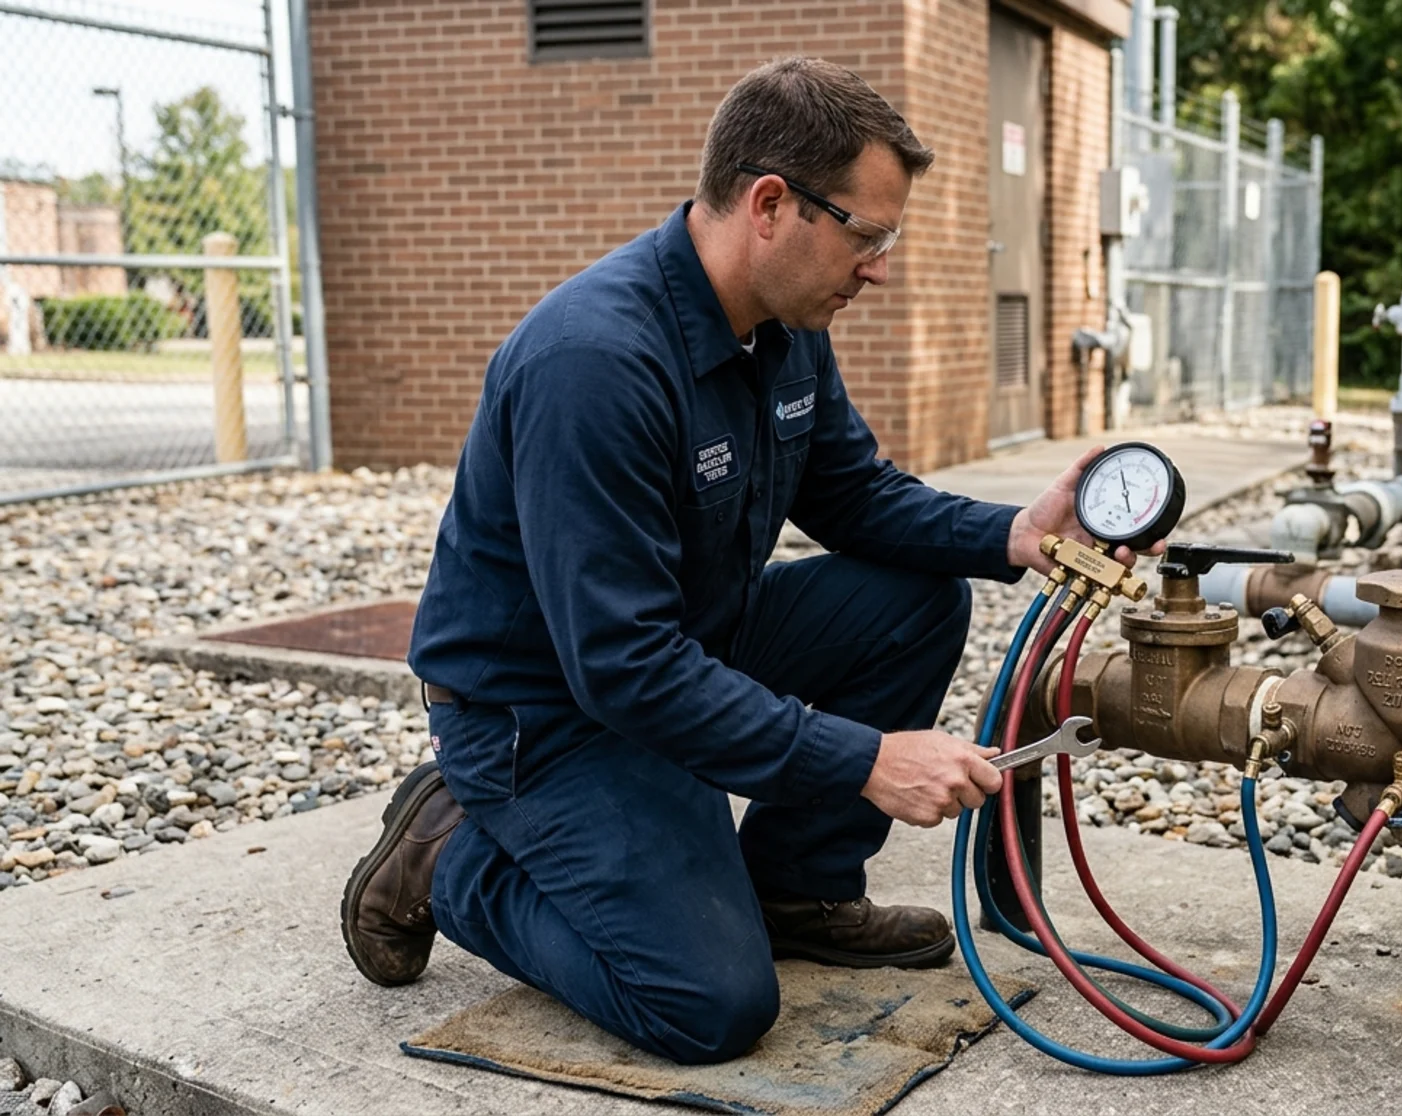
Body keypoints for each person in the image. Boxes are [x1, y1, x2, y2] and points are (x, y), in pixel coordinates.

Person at [338, 56, 1151, 1065]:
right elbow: (621, 668)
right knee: (706, 1004)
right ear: (771, 203)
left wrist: (1012, 535)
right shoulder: (594, 364)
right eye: (869, 234)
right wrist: (865, 761)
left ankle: (793, 890)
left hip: (682, 652)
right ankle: (454, 855)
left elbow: (853, 497)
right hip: (543, 718)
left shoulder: (781, 325)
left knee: (914, 602)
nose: (879, 268)